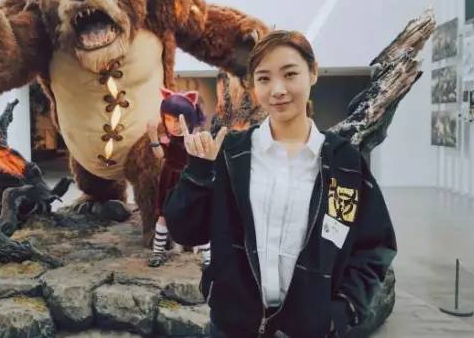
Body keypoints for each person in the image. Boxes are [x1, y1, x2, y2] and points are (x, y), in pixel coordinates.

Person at [165, 30, 397, 337]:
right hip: (232, 327)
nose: (278, 90)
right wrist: (198, 173)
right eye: (264, 78)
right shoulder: (231, 154)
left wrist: (342, 311)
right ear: (252, 85)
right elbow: (185, 232)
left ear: (313, 73)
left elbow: (375, 245)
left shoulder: (344, 162)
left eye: (290, 74)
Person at [146, 87, 210, 268]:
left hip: (189, 180)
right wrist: (153, 137)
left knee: (197, 217)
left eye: (178, 119)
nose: (173, 125)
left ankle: (209, 258)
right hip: (169, 180)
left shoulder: (197, 137)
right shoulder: (167, 140)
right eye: (168, 119)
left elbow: (204, 159)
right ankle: (158, 253)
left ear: (190, 118)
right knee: (163, 217)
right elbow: (160, 155)